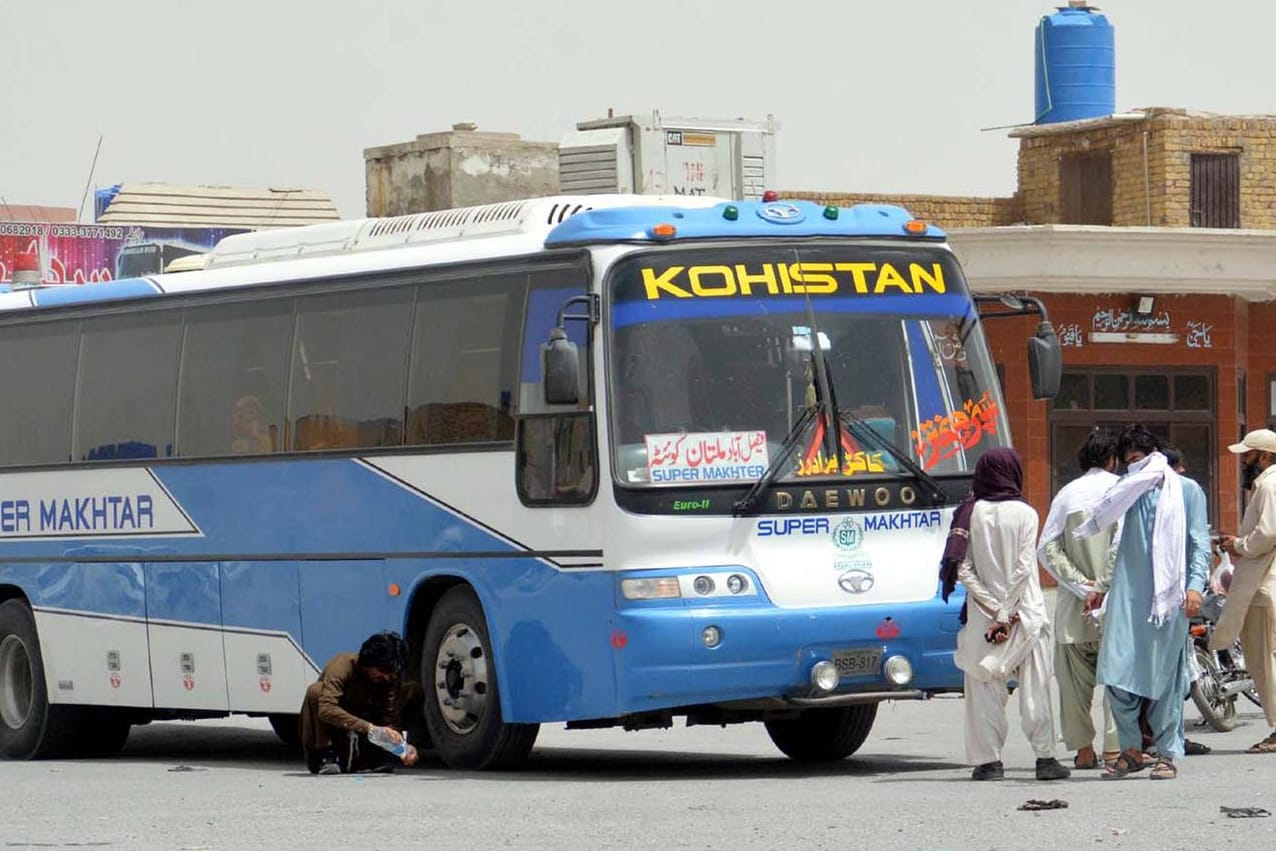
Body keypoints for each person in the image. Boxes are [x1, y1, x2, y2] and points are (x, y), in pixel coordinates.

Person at [1073, 425, 1210, 780]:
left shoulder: (1187, 491)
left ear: (1154, 455)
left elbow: (1199, 543)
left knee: (1165, 677)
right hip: (1126, 597)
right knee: (1116, 674)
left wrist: (1195, 585)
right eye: (1128, 462)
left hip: (1169, 600)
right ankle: (1131, 749)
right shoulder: (1125, 492)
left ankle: (1166, 753)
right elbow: (1110, 537)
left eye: (1140, 460)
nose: (1135, 467)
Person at [942, 447, 1070, 781]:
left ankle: (988, 763)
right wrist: (1007, 610)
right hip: (1025, 614)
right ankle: (1045, 760)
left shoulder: (970, 512)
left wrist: (993, 609)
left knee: (983, 688)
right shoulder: (1026, 513)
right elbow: (1025, 568)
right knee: (1036, 687)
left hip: (985, 618)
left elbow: (963, 570)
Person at [1038, 429, 1121, 770]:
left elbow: (1046, 549)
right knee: (1118, 682)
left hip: (1075, 611)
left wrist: (1081, 586)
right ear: (1112, 459)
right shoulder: (1120, 492)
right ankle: (1116, 750)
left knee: (1072, 687)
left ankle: (1084, 750)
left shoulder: (1066, 495)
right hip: (1116, 607)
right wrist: (1103, 587)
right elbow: (1121, 547)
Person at [1214, 428, 1276, 754]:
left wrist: (1238, 544)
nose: (1243, 461)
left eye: (1248, 455)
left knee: (1264, 659)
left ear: (1264, 456)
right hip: (1266, 583)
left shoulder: (1269, 485)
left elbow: (1266, 534)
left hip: (1264, 585)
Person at [299, 631, 423, 775]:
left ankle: (375, 758)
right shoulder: (342, 666)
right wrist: (368, 727)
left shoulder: (387, 680)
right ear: (369, 663)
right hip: (337, 729)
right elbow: (326, 709)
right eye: (382, 671)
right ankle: (326, 756)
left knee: (413, 691)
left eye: (391, 673)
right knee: (316, 692)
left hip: (364, 735)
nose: (386, 677)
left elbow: (388, 718)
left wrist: (402, 748)